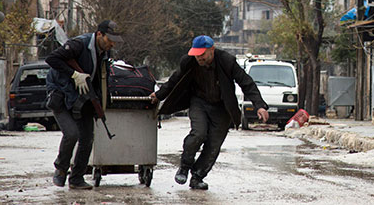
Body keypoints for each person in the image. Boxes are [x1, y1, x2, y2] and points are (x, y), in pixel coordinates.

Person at [150, 35, 269, 190]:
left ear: (211, 50)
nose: (199, 58)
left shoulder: (227, 61)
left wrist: (259, 105)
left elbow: (246, 83)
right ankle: (185, 166)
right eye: (196, 54)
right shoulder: (189, 61)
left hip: (221, 107)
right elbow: (174, 80)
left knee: (213, 145)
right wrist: (159, 95)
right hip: (198, 102)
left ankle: (197, 177)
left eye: (202, 54)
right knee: (198, 133)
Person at [45, 20, 123, 189]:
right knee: (72, 134)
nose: (112, 43)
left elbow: (98, 80)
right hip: (61, 95)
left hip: (81, 98)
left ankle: (77, 178)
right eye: (110, 39)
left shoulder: (105, 53)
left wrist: (99, 104)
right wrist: (74, 74)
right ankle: (61, 169)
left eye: (114, 40)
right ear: (99, 34)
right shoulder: (79, 44)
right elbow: (52, 59)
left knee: (87, 138)